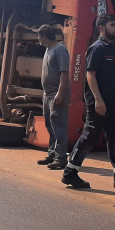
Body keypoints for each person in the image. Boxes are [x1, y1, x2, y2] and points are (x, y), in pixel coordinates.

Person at [62, 15, 115, 190]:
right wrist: (98, 99)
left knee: (114, 139)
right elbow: (90, 74)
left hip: (114, 103)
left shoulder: (114, 49)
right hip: (98, 103)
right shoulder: (97, 48)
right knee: (89, 137)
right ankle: (70, 172)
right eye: (112, 25)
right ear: (101, 28)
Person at [36, 25, 70, 170]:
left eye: (39, 36)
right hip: (47, 94)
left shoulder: (60, 49)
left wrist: (60, 92)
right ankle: (52, 154)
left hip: (56, 93)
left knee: (59, 126)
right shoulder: (48, 50)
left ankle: (61, 158)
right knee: (50, 125)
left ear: (44, 36)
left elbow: (64, 72)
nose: (38, 39)